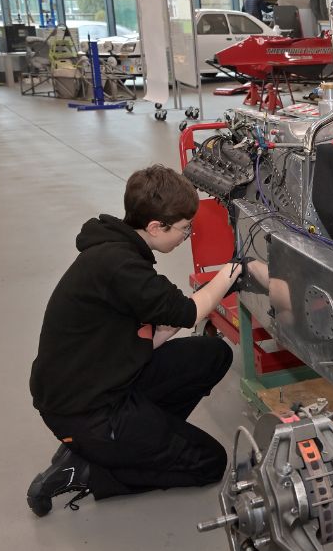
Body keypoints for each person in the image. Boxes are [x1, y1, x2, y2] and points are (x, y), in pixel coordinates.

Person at [26, 165, 243, 517]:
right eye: (185, 229)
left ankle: (139, 441)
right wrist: (234, 271)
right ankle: (89, 470)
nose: (186, 235)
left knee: (212, 354)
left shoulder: (118, 249)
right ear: (156, 227)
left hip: (101, 382)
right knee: (209, 463)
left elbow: (128, 338)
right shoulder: (119, 265)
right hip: (86, 411)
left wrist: (167, 326)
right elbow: (188, 312)